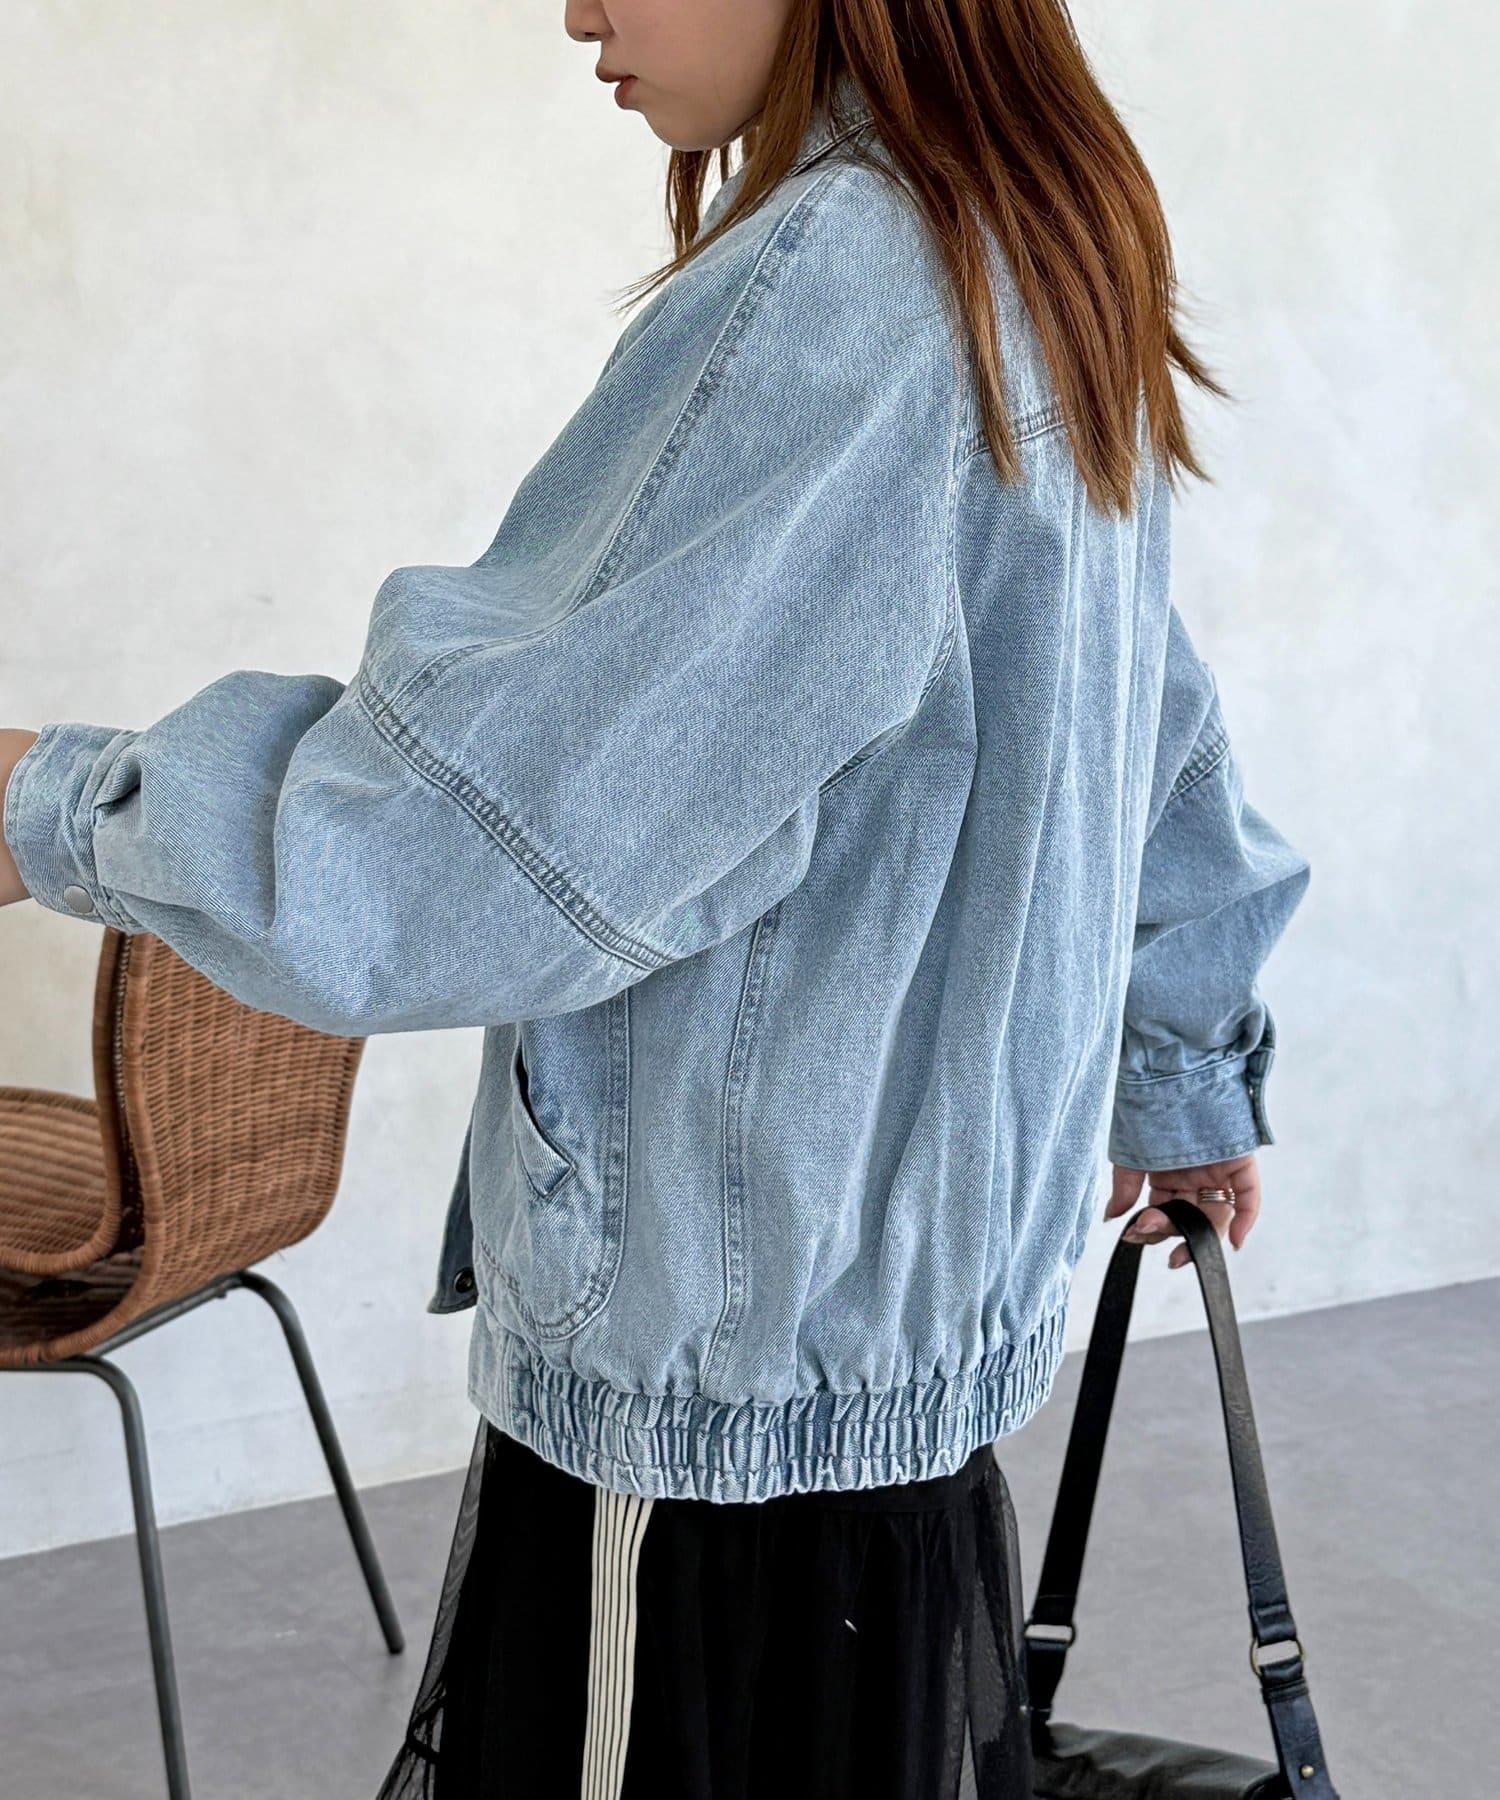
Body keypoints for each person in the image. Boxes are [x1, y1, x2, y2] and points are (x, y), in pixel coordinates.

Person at [0, 2, 1311, 1795]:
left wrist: (44, 803)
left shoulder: (853, 279)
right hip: (875, 1332)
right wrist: (1182, 1070)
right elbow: (1145, 722)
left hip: (720, 1356)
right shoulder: (1032, 238)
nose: (578, 10)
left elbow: (471, 848)